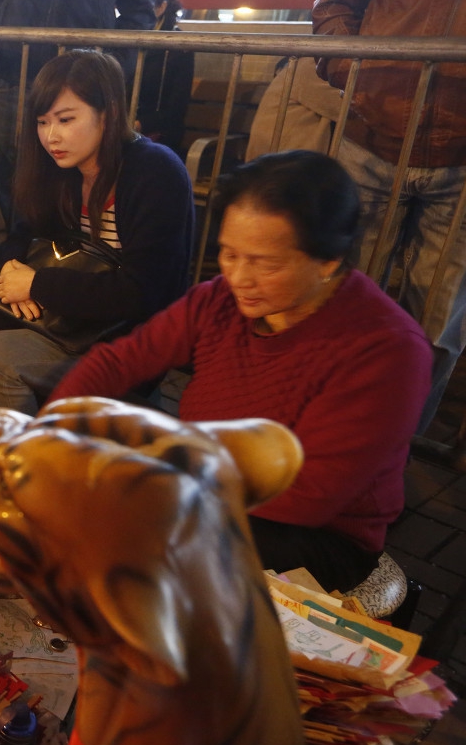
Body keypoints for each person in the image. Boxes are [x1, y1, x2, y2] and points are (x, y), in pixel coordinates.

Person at [49, 151, 431, 593]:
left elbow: (311, 495)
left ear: (329, 260)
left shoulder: (385, 349)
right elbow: (119, 361)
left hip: (311, 534)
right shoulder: (218, 301)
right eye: (229, 254)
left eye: (265, 263)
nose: (238, 278)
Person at [0, 49, 194, 417]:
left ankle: (29, 465)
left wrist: (38, 285)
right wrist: (10, 269)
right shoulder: (57, 168)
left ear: (108, 113)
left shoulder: (155, 172)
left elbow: (144, 293)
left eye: (66, 119)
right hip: (67, 316)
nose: (51, 136)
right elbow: (20, 236)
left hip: (128, 334)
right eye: (42, 122)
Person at [313, 0, 466, 434]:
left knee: (436, 326)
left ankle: (392, 448)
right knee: (336, 301)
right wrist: (354, 69)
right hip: (371, 138)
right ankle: (321, 428)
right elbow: (336, 1)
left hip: (458, 158)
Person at [0, 0, 156, 224]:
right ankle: (6, 259)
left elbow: (140, 7)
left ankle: (59, 259)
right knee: (3, 191)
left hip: (80, 79)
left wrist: (109, 67)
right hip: (9, 76)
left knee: (71, 188)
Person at [135, 0, 194, 158]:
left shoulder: (178, 47)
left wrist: (140, 123)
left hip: (159, 132)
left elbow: (176, 108)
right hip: (127, 124)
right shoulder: (126, 35)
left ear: (162, 6)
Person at [244, 57, 342, 161]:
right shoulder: (311, 67)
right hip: (279, 167)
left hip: (277, 162)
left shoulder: (304, 65)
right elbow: (353, 109)